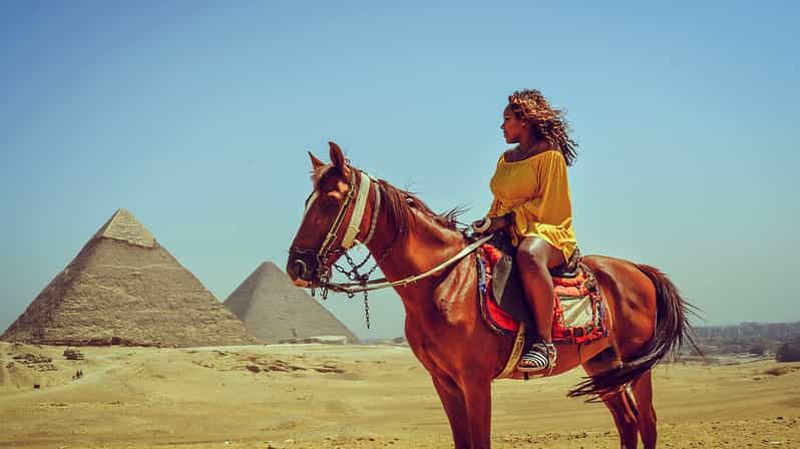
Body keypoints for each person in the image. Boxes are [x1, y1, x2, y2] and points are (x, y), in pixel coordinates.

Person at [473, 89, 578, 372]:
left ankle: (544, 343)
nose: (502, 126)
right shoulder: (506, 158)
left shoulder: (550, 156)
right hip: (508, 226)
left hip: (548, 230)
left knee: (528, 255)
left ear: (525, 121)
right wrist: (488, 222)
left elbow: (550, 205)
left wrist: (506, 220)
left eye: (507, 119)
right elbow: (499, 201)